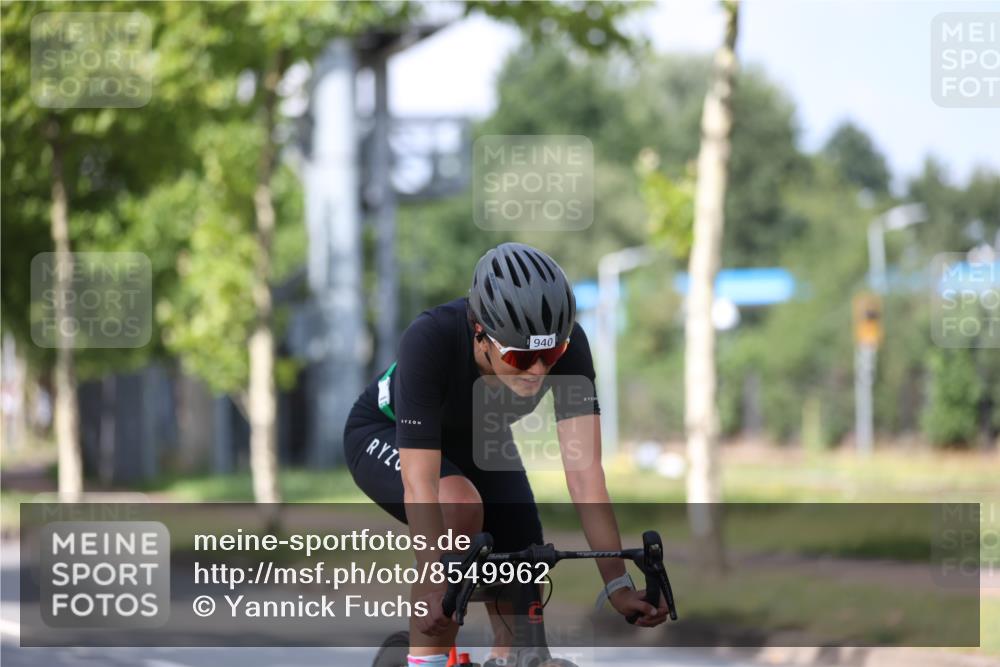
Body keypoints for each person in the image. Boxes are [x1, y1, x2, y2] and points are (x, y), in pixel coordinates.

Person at [344, 242, 668, 667]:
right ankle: (426, 662)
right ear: (480, 333)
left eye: (550, 355)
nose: (538, 370)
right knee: (459, 506)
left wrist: (618, 586)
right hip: (384, 433)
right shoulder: (430, 338)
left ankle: (508, 656)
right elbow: (421, 484)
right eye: (521, 356)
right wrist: (433, 585)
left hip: (482, 439)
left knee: (525, 552)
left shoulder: (570, 344)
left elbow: (586, 473)